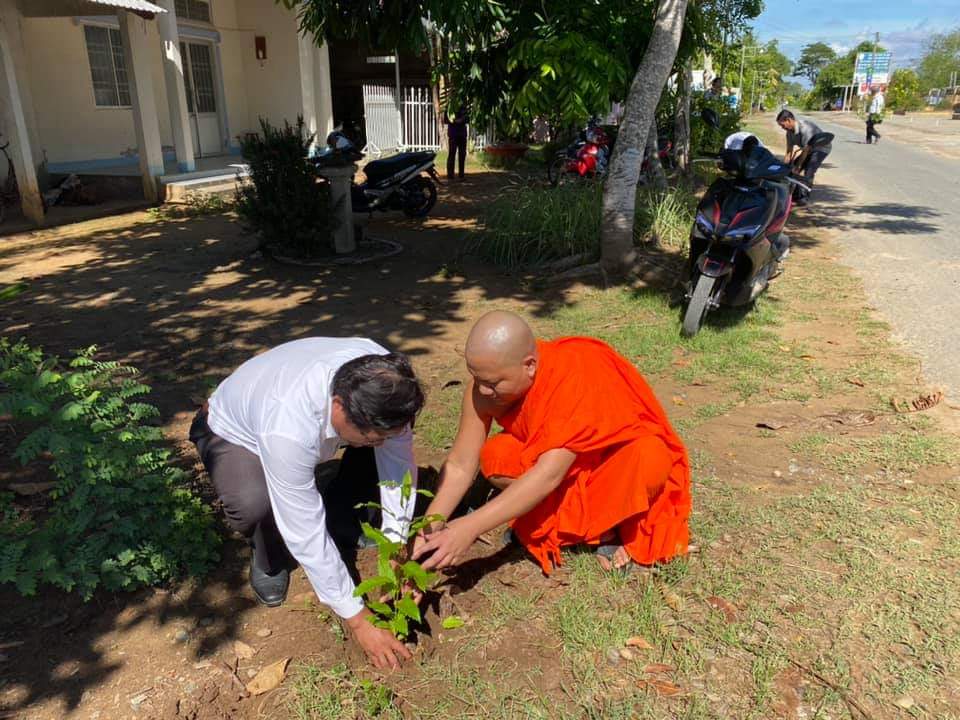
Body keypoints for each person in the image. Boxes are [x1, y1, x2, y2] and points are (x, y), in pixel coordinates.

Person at [189, 338, 425, 670]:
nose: (383, 442)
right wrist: (359, 620)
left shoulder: (387, 380)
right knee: (253, 504)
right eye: (374, 436)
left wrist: (397, 544)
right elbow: (305, 530)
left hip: (301, 411)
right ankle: (267, 555)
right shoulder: (287, 427)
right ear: (339, 406)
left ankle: (342, 515)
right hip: (233, 431)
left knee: (377, 449)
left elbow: (398, 466)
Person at [412, 311, 691, 574]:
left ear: (530, 366)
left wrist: (469, 527)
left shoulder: (572, 376)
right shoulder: (483, 388)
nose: (483, 390)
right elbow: (461, 464)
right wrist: (429, 529)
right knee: (496, 455)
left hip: (607, 465)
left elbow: (549, 474)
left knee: (650, 457)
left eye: (494, 383)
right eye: (476, 378)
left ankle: (604, 526)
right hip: (556, 467)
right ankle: (567, 521)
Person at [775, 109, 832, 205]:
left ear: (789, 120)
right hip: (808, 149)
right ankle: (794, 194)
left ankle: (803, 198)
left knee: (809, 170)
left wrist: (798, 167)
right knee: (791, 168)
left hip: (821, 148)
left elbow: (806, 151)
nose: (782, 127)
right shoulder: (789, 133)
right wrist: (784, 167)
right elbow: (789, 151)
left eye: (782, 124)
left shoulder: (805, 128)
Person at [444, 106, 468, 180]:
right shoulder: (449, 106)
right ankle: (450, 175)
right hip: (453, 134)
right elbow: (445, 120)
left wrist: (462, 119)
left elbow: (467, 119)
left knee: (462, 154)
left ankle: (461, 174)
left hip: (462, 134)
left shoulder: (464, 106)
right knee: (452, 154)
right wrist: (455, 120)